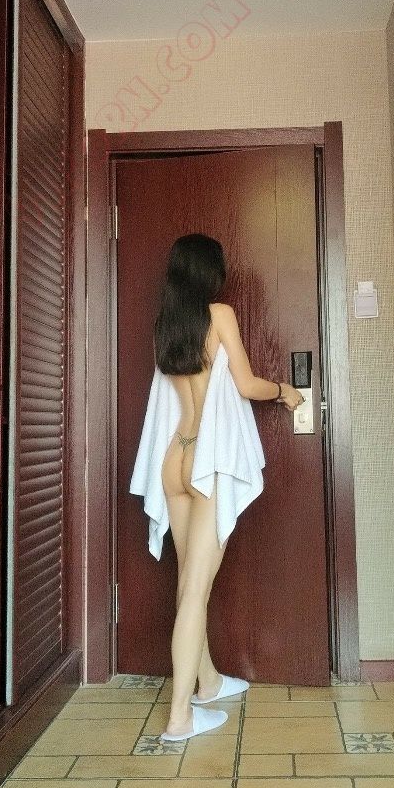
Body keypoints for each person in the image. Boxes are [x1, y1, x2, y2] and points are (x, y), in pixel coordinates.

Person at [141, 234, 304, 741]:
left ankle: (208, 682)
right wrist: (286, 391)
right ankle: (180, 719)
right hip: (207, 463)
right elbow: (246, 384)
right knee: (195, 589)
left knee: (188, 582)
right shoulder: (220, 315)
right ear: (209, 272)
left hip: (175, 457)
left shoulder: (167, 325)